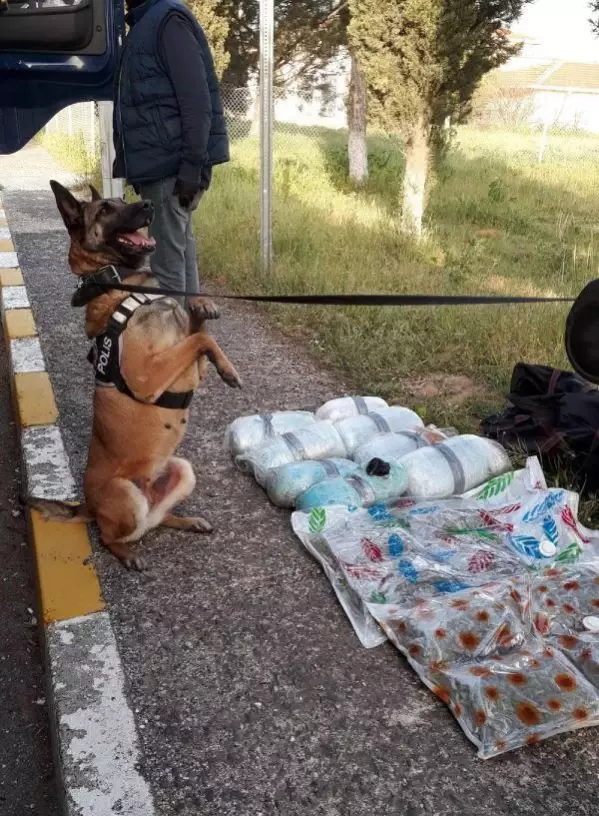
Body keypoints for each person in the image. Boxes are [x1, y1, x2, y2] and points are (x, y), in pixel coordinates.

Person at [113, 0, 229, 297]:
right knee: (179, 259)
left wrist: (192, 167)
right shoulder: (146, 25)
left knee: (166, 272)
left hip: (170, 169)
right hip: (162, 168)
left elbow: (196, 100)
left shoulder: (166, 20)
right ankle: (189, 337)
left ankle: (172, 341)